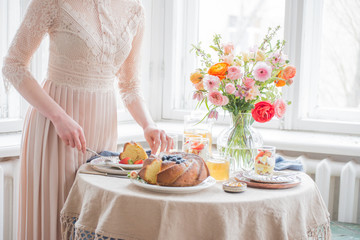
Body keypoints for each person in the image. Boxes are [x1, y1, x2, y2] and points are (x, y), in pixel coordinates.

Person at [1, 0, 172, 239]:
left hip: (102, 130)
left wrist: (148, 124)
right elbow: (13, 64)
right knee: (55, 221)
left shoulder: (135, 10)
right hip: (54, 128)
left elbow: (129, 84)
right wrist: (58, 116)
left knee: (93, 219)